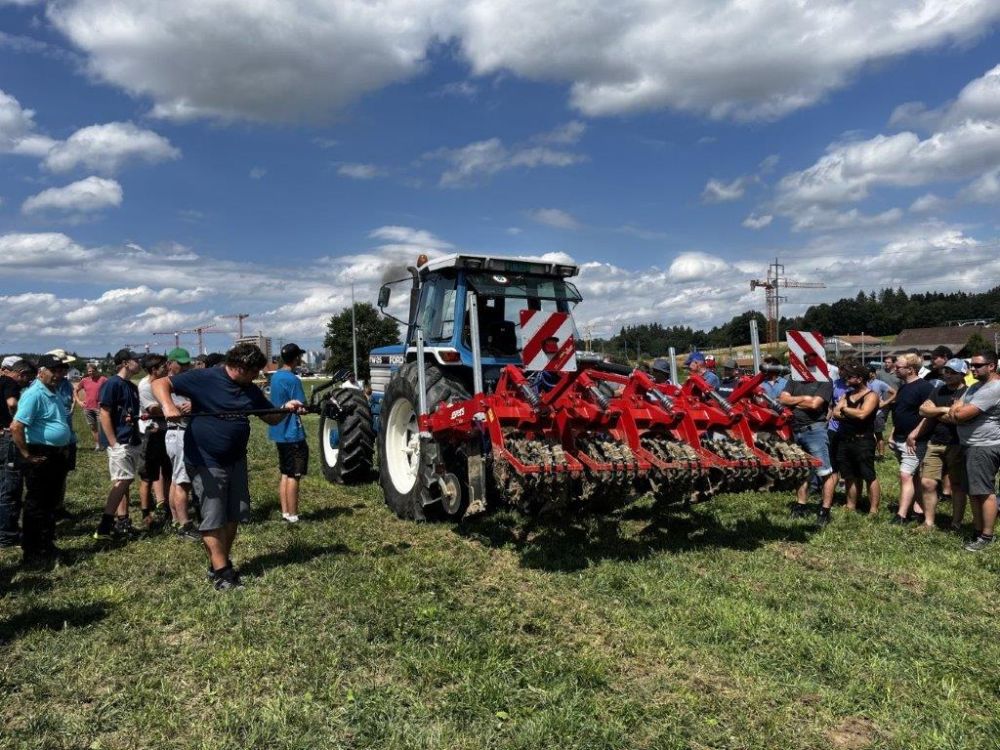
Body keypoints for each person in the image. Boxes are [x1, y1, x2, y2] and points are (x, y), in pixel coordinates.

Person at [153, 343, 305, 590]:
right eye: (254, 371)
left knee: (235, 514)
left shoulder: (248, 388)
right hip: (205, 459)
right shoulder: (205, 378)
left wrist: (287, 409)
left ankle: (217, 564)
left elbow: (269, 416)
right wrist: (168, 406)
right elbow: (160, 383)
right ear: (240, 367)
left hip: (236, 459)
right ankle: (224, 573)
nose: (257, 376)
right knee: (213, 516)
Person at [9, 355, 74, 567]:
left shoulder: (52, 391)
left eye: (61, 370)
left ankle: (46, 543)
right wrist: (27, 455)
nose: (59, 375)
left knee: (50, 502)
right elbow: (16, 426)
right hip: (40, 454)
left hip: (55, 454)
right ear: (41, 371)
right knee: (37, 504)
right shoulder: (34, 394)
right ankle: (34, 550)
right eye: (54, 370)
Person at [947, 351, 1000, 551]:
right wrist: (956, 409)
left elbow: (961, 414)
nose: (972, 369)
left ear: (992, 366)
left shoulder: (993, 389)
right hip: (972, 445)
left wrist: (957, 411)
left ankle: (986, 536)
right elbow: (957, 405)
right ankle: (979, 531)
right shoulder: (976, 386)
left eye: (978, 365)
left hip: (984, 446)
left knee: (984, 492)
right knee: (974, 491)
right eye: (971, 365)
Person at [780, 355, 836, 526]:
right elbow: (783, 399)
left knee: (825, 471)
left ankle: (824, 511)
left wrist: (793, 402)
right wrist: (804, 399)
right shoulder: (794, 379)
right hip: (795, 430)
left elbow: (815, 405)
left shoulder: (825, 381)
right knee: (801, 470)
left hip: (815, 430)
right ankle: (801, 505)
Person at [94, 349, 142, 540]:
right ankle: (105, 526)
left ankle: (123, 521)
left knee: (124, 481)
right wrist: (113, 442)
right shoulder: (112, 384)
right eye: (136, 359)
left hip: (131, 439)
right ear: (124, 363)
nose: (139, 363)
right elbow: (104, 413)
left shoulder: (131, 386)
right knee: (123, 480)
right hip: (120, 441)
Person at [917, 359, 968, 531]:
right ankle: (929, 522)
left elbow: (957, 418)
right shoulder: (938, 390)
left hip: (957, 443)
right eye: (946, 371)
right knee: (927, 482)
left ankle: (956, 523)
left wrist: (936, 411)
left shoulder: (967, 393)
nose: (947, 375)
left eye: (952, 372)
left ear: (963, 374)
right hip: (935, 442)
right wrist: (945, 409)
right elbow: (922, 410)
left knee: (957, 485)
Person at [889, 353, 935, 524]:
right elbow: (901, 412)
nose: (895, 369)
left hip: (915, 441)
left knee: (905, 474)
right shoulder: (903, 387)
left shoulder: (924, 387)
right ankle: (918, 509)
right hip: (900, 438)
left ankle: (901, 515)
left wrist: (914, 434)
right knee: (913, 476)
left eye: (898, 367)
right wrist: (893, 433)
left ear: (910, 369)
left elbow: (928, 415)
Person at [830, 361, 881, 515]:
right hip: (845, 439)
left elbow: (863, 414)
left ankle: (873, 509)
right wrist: (850, 411)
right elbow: (835, 413)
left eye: (850, 377)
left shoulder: (871, 395)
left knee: (868, 475)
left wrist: (845, 409)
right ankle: (851, 504)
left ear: (859, 378)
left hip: (863, 440)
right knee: (849, 475)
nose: (846, 380)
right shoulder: (847, 394)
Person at [269, 343, 309, 524]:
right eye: (299, 357)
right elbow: (301, 405)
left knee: (285, 472)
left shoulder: (276, 377)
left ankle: (285, 512)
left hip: (279, 431)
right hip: (292, 432)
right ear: (295, 359)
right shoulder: (293, 379)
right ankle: (293, 515)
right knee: (294, 474)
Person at [163, 348, 199, 540]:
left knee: (177, 479)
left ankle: (176, 518)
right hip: (180, 434)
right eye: (181, 363)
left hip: (182, 434)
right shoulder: (168, 385)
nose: (185, 367)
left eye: (187, 363)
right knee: (183, 482)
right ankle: (185, 525)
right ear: (170, 364)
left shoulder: (185, 381)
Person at [0, 360, 36, 548]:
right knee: (11, 488)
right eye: (27, 378)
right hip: (8, 437)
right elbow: (12, 403)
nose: (26, 383)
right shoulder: (10, 383)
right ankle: (7, 534)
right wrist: (17, 420)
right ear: (20, 373)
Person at [137, 354, 172, 530]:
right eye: (163, 366)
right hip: (152, 434)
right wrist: (171, 407)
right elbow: (154, 409)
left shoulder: (163, 381)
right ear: (153, 370)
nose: (167, 368)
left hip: (165, 432)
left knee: (168, 471)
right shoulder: (145, 386)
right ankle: (146, 514)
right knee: (148, 476)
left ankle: (167, 507)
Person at [75, 362, 107, 450]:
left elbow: (110, 390)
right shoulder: (84, 380)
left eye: (93, 371)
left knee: (103, 427)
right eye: (89, 371)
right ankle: (98, 445)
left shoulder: (103, 379)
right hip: (88, 408)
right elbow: (75, 390)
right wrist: (79, 401)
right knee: (93, 427)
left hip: (99, 408)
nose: (91, 373)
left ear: (96, 371)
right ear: (87, 372)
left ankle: (105, 444)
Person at [866, 367, 895, 460]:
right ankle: (870, 454)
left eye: (868, 372)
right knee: (868, 436)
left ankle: (881, 456)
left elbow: (893, 392)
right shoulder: (862, 383)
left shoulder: (879, 383)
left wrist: (885, 403)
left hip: (877, 414)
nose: (866, 374)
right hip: (865, 414)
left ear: (873, 373)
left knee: (879, 435)